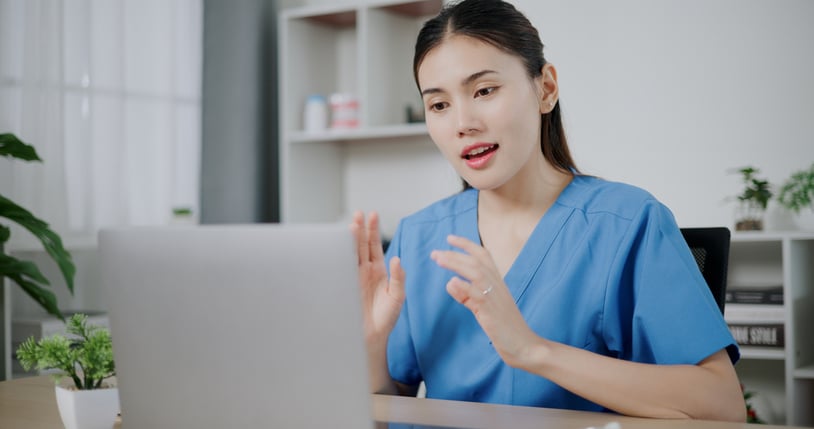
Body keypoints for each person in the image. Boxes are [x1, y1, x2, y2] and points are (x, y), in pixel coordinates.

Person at [350, 0, 746, 422]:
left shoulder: (627, 223)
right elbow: (389, 405)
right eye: (439, 105)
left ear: (546, 88)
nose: (462, 122)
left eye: (484, 90)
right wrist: (371, 346)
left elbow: (721, 405)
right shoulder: (418, 237)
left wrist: (533, 351)